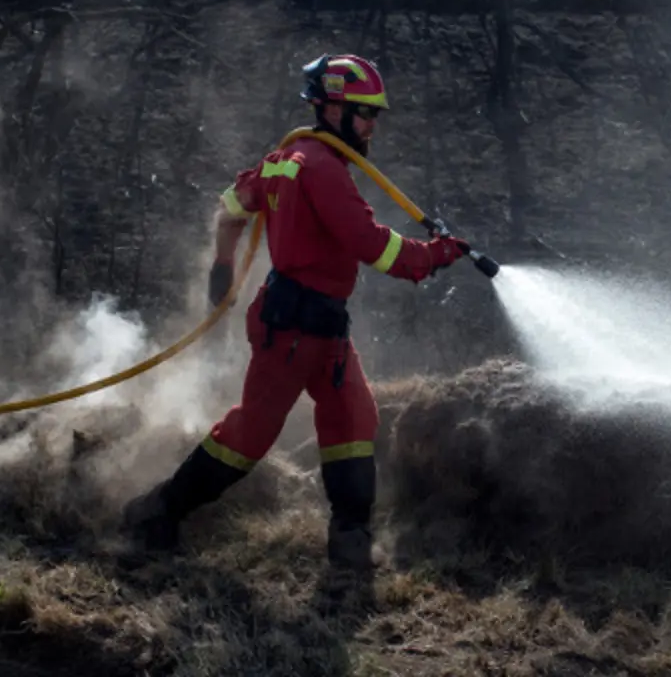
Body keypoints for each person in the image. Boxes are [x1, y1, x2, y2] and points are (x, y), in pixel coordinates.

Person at [119, 53, 468, 569]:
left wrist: (222, 264)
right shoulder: (321, 169)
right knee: (252, 434)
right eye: (365, 112)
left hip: (324, 325)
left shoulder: (286, 159)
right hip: (292, 330)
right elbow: (375, 247)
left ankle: (351, 543)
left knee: (354, 418)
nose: (372, 125)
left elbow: (229, 208)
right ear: (332, 109)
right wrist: (437, 254)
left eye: (376, 114)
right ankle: (156, 513)